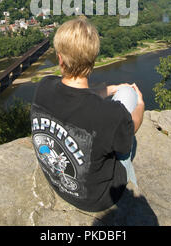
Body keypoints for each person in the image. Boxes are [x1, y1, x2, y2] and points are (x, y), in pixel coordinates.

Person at [30, 16, 145, 212]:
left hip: (55, 181)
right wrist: (140, 105)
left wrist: (110, 89)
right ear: (93, 59)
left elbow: (76, 95)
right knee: (128, 96)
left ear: (59, 58)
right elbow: (131, 128)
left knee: (120, 94)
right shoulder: (109, 114)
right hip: (96, 199)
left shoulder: (44, 86)